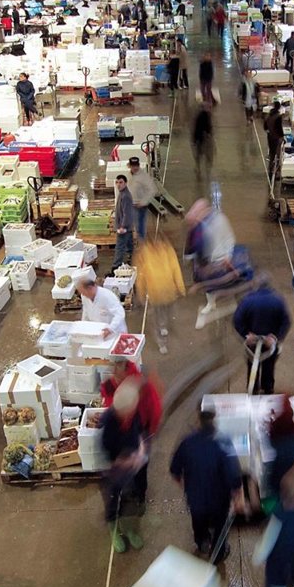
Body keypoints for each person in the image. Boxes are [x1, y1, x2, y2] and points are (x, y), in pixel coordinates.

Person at [170, 410, 243, 561]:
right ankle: (218, 553)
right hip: (219, 501)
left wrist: (185, 485)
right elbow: (234, 475)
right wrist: (238, 495)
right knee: (220, 526)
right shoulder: (224, 443)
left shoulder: (187, 442)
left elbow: (174, 470)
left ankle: (202, 542)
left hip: (195, 498)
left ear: (199, 421)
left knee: (198, 521)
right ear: (214, 421)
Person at [101, 381, 148, 553]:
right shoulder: (108, 421)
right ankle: (114, 530)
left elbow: (140, 433)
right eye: (128, 412)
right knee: (114, 501)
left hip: (134, 464)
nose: (130, 414)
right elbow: (107, 451)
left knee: (131, 500)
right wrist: (128, 461)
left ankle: (130, 529)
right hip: (116, 470)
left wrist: (141, 449)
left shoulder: (133, 414)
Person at [233, 278, 291, 395]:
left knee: (252, 366)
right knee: (269, 367)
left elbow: (237, 320)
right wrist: (275, 337)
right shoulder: (278, 300)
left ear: (255, 286)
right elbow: (286, 321)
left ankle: (253, 391)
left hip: (252, 343)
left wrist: (246, 335)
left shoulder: (247, 300)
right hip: (270, 343)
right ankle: (268, 390)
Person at [134, 234, 184, 354]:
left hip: (168, 291)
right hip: (154, 293)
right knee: (154, 317)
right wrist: (141, 292)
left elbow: (175, 268)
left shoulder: (168, 250)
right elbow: (140, 275)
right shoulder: (144, 254)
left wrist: (180, 287)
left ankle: (163, 326)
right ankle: (161, 343)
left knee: (166, 311)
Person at [125, 156, 157, 240]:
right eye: (133, 166)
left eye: (136, 166)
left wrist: (143, 202)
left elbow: (152, 190)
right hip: (131, 204)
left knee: (140, 226)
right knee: (135, 224)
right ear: (129, 166)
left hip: (140, 206)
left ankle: (142, 243)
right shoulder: (129, 175)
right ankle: (139, 241)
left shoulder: (143, 176)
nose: (135, 168)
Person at [113, 174, 135, 271]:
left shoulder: (125, 196)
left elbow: (127, 213)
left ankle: (115, 267)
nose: (118, 185)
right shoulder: (122, 193)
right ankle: (133, 257)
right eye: (117, 182)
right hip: (128, 227)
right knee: (129, 243)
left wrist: (122, 226)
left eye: (121, 182)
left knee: (120, 247)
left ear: (125, 183)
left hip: (124, 227)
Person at [192, 101, 215, 177]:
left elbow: (196, 128)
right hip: (203, 138)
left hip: (200, 138)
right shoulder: (205, 116)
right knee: (205, 154)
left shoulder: (200, 116)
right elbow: (208, 127)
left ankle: (198, 167)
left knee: (199, 154)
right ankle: (205, 167)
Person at [264, 104, 285, 183]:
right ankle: (276, 172)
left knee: (272, 153)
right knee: (278, 154)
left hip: (270, 137)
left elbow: (265, 127)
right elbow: (279, 129)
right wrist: (282, 137)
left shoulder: (269, 116)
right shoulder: (278, 117)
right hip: (277, 138)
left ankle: (270, 168)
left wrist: (269, 132)